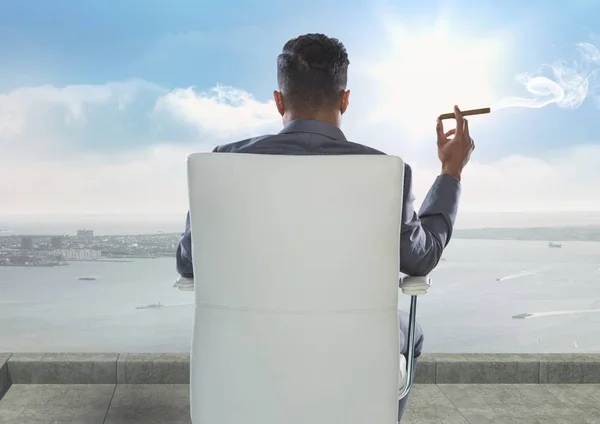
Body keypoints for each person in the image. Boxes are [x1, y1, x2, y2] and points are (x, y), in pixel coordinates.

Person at [176, 33, 474, 422]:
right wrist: (451, 172)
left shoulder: (222, 164)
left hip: (245, 358)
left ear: (279, 100)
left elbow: (188, 263)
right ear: (345, 99)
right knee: (407, 331)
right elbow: (421, 259)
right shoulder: (385, 173)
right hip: (349, 359)